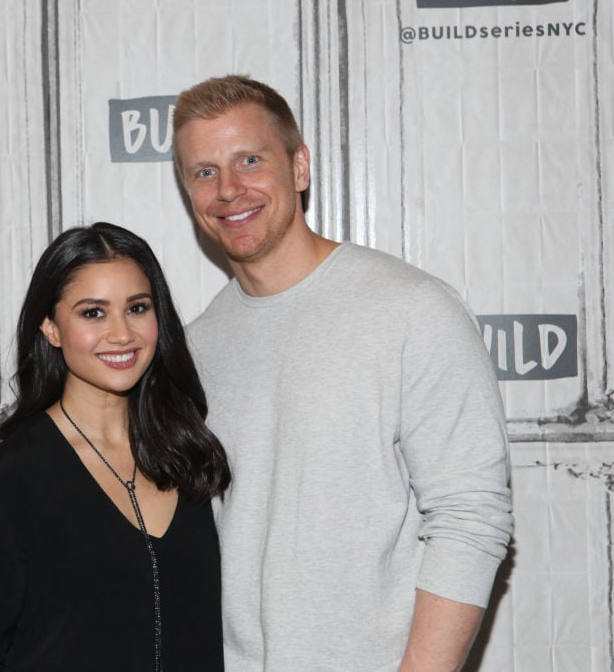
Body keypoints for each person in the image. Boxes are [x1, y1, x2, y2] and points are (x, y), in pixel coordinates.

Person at [173, 75, 514, 671]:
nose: (228, 189)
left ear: (299, 167)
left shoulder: (410, 308)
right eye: (204, 172)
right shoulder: (197, 345)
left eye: (249, 160)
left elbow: (470, 517)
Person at [0, 222, 230, 671]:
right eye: (93, 313)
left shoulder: (188, 454)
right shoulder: (7, 477)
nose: (121, 334)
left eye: (137, 307)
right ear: (51, 328)